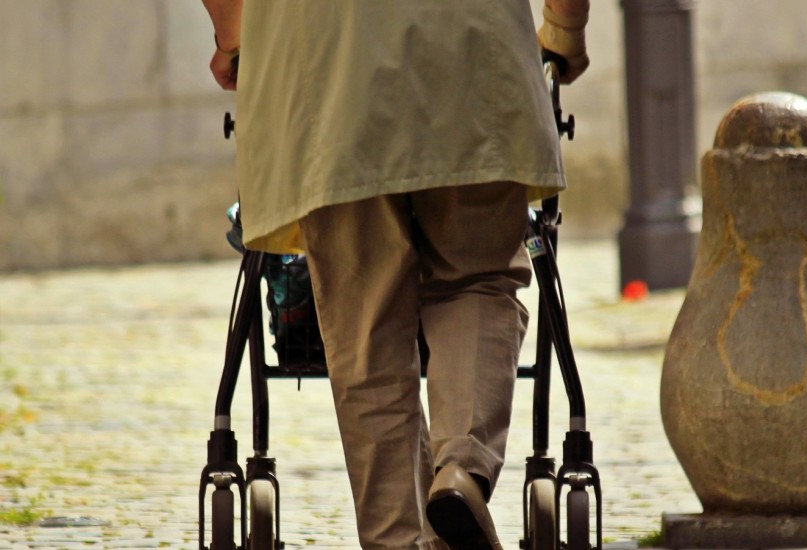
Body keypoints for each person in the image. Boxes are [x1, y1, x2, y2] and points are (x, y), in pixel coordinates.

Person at [199, 1, 590, 549]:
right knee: (476, 279)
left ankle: (398, 541)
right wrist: (565, 30)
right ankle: (461, 470)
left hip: (324, 66)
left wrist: (234, 40)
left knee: (367, 327)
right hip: (473, 48)